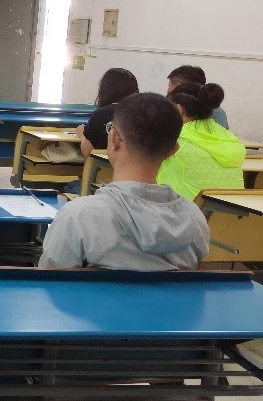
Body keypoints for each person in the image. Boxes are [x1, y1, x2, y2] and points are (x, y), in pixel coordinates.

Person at [39, 92, 209, 270]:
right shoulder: (195, 219)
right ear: (173, 150)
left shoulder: (78, 217)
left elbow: (49, 279)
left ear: (114, 139)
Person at [156, 82, 245, 200]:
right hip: (234, 210)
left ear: (179, 109)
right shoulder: (227, 136)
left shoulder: (175, 138)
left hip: (189, 210)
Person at [76, 68, 139, 157]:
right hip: (134, 165)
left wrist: (82, 134)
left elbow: (87, 152)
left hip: (102, 165)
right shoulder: (142, 114)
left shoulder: (100, 114)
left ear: (105, 90)